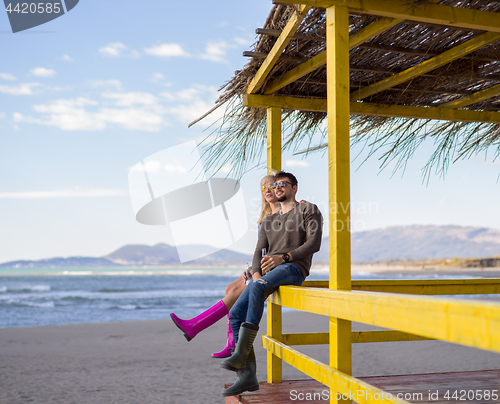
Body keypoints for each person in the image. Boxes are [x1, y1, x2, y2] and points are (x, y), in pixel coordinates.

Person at [220, 171, 323, 397]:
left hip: (293, 268)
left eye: (282, 184)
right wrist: (256, 277)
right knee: (235, 315)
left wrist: (284, 257)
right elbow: (258, 251)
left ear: (294, 187)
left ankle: (241, 353)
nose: (276, 188)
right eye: (274, 185)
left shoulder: (308, 209)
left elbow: (314, 244)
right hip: (266, 274)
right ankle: (247, 376)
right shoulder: (268, 221)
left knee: (254, 293)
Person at [170, 174, 281, 358]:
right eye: (263, 188)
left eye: (271, 186)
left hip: (275, 268)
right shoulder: (265, 216)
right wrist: (253, 268)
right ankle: (229, 343)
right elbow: (263, 250)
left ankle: (195, 326)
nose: (267, 191)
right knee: (230, 288)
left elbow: (279, 248)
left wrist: (258, 270)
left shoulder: (285, 212)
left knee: (236, 289)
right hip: (264, 265)